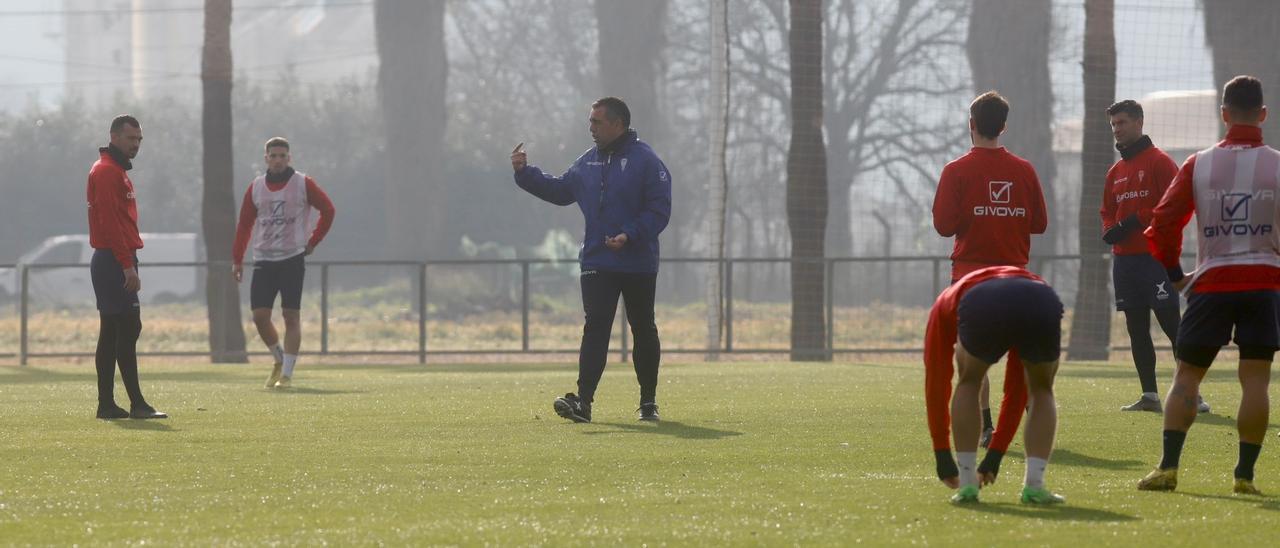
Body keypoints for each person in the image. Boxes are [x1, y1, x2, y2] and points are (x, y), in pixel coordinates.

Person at [1138, 75, 1280, 496]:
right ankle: (1244, 476)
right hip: (1266, 283)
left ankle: (1167, 468)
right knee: (1255, 380)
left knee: (1187, 376)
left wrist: (1177, 276)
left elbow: (1161, 224)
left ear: (1223, 115)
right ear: (1263, 115)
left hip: (1212, 281)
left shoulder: (1198, 163)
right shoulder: (1277, 163)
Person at [511, 97, 672, 423]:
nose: (591, 128)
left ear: (618, 124)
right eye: (591, 122)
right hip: (598, 261)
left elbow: (659, 210)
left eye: (597, 122)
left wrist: (629, 234)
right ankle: (583, 402)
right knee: (595, 328)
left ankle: (648, 402)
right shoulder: (588, 162)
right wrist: (525, 173)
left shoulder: (646, 161)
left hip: (638, 261)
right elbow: (560, 190)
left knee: (642, 328)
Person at [933, 91, 1049, 448]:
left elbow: (943, 225)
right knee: (1025, 356)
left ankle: (985, 427)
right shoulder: (1024, 170)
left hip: (970, 279)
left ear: (971, 125)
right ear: (1003, 126)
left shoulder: (956, 171)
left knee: (971, 361)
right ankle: (1029, 420)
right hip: (1016, 277)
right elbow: (1040, 224)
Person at [1100, 99, 1209, 414]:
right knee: (1136, 327)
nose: (1117, 130)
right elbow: (1107, 209)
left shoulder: (1160, 162)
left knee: (1172, 325)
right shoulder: (1115, 171)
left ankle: (1193, 394)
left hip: (1154, 259)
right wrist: (1111, 227)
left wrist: (1136, 220)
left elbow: (1174, 206)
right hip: (1124, 262)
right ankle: (1149, 395)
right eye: (1113, 125)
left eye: (1122, 123)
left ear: (1139, 122)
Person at [924, 265, 1065, 504]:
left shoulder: (944, 304)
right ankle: (1034, 486)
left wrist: (942, 452)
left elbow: (937, 382)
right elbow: (1017, 390)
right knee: (1041, 390)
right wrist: (995, 455)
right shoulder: (1026, 282)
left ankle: (967, 484)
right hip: (1040, 297)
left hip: (982, 300)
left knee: (969, 380)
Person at [232, 137, 335, 389]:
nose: (278, 160)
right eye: (273, 155)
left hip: (291, 259)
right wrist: (237, 259)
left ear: (289, 158)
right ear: (266, 158)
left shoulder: (302, 183)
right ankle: (278, 359)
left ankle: (287, 374)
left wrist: (313, 241)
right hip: (264, 259)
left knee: (290, 315)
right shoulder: (256, 188)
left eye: (282, 156)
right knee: (259, 316)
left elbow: (328, 210)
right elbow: (244, 225)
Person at [86, 114, 166, 420]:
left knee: (112, 330)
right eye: (131, 138)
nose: (136, 145)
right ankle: (137, 404)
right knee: (128, 326)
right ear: (114, 137)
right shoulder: (107, 172)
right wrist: (127, 266)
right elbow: (111, 223)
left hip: (113, 258)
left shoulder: (114, 170)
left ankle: (107, 404)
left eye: (139, 140)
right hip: (112, 260)